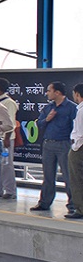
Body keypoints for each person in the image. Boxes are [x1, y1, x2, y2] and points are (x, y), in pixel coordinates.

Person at [31, 82, 76, 214]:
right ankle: (44, 202)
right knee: (48, 175)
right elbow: (39, 123)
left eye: (49, 91)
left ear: (57, 92)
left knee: (68, 176)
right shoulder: (48, 108)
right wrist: (47, 119)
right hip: (48, 144)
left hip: (64, 144)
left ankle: (74, 205)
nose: (47, 93)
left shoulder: (71, 107)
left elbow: (77, 126)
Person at [0, 77, 19, 200]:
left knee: (6, 164)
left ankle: (10, 190)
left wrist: (7, 137)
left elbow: (11, 123)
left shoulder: (9, 103)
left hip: (6, 139)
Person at [68, 84, 83, 220]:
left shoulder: (81, 110)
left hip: (79, 148)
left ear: (77, 94)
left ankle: (80, 209)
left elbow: (80, 133)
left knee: (77, 178)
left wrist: (75, 147)